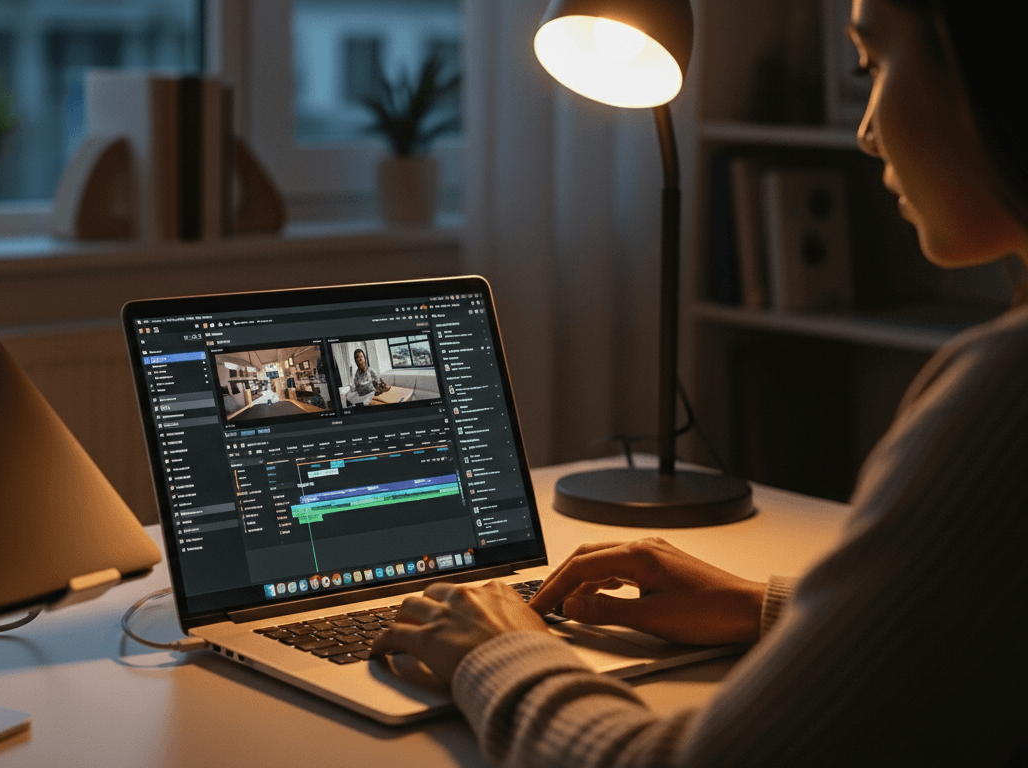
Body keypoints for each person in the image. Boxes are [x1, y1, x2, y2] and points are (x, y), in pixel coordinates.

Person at [371, 1, 1028, 764]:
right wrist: (762, 608)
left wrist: (496, 652)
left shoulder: (1007, 391)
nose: (867, 129)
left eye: (873, 64)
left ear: (991, 59)